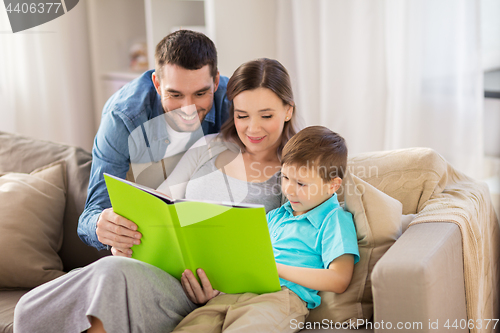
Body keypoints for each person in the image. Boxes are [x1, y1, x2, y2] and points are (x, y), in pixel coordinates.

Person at [14, 58, 299, 333]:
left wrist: (220, 292)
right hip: (164, 273)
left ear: (288, 111)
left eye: (266, 115)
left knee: (110, 277)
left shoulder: (294, 176)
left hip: (217, 293)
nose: (253, 128)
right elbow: (160, 202)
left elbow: (294, 253)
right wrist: (127, 235)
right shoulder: (209, 145)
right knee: (86, 281)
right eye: (242, 115)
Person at [173, 126, 360, 333]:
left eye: (301, 183)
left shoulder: (335, 220)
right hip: (237, 292)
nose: (288, 189)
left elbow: (339, 280)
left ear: (332, 185)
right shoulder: (276, 215)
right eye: (286, 177)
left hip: (281, 298)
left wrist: (273, 267)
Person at [78, 29, 230, 257]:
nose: (188, 109)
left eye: (200, 94)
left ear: (216, 81)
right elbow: (89, 216)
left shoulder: (236, 101)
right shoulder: (123, 116)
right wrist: (102, 225)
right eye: (176, 95)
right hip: (151, 243)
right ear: (157, 84)